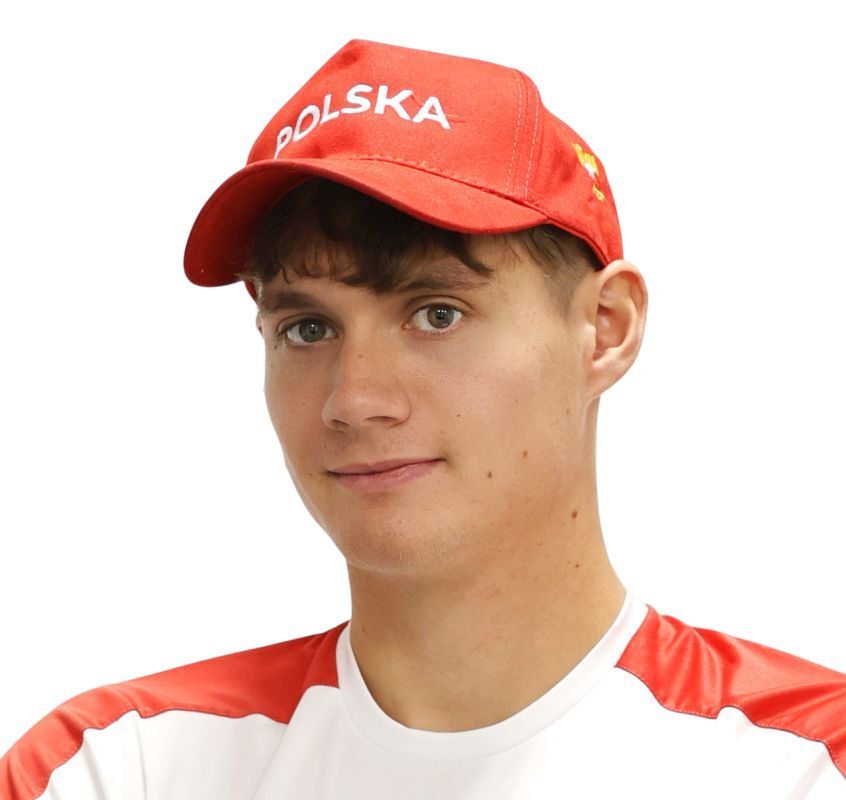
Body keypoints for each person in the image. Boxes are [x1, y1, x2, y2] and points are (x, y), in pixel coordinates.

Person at [2, 37, 844, 799]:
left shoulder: (803, 768)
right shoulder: (116, 771)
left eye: (437, 313)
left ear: (606, 329)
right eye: (308, 328)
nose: (353, 399)